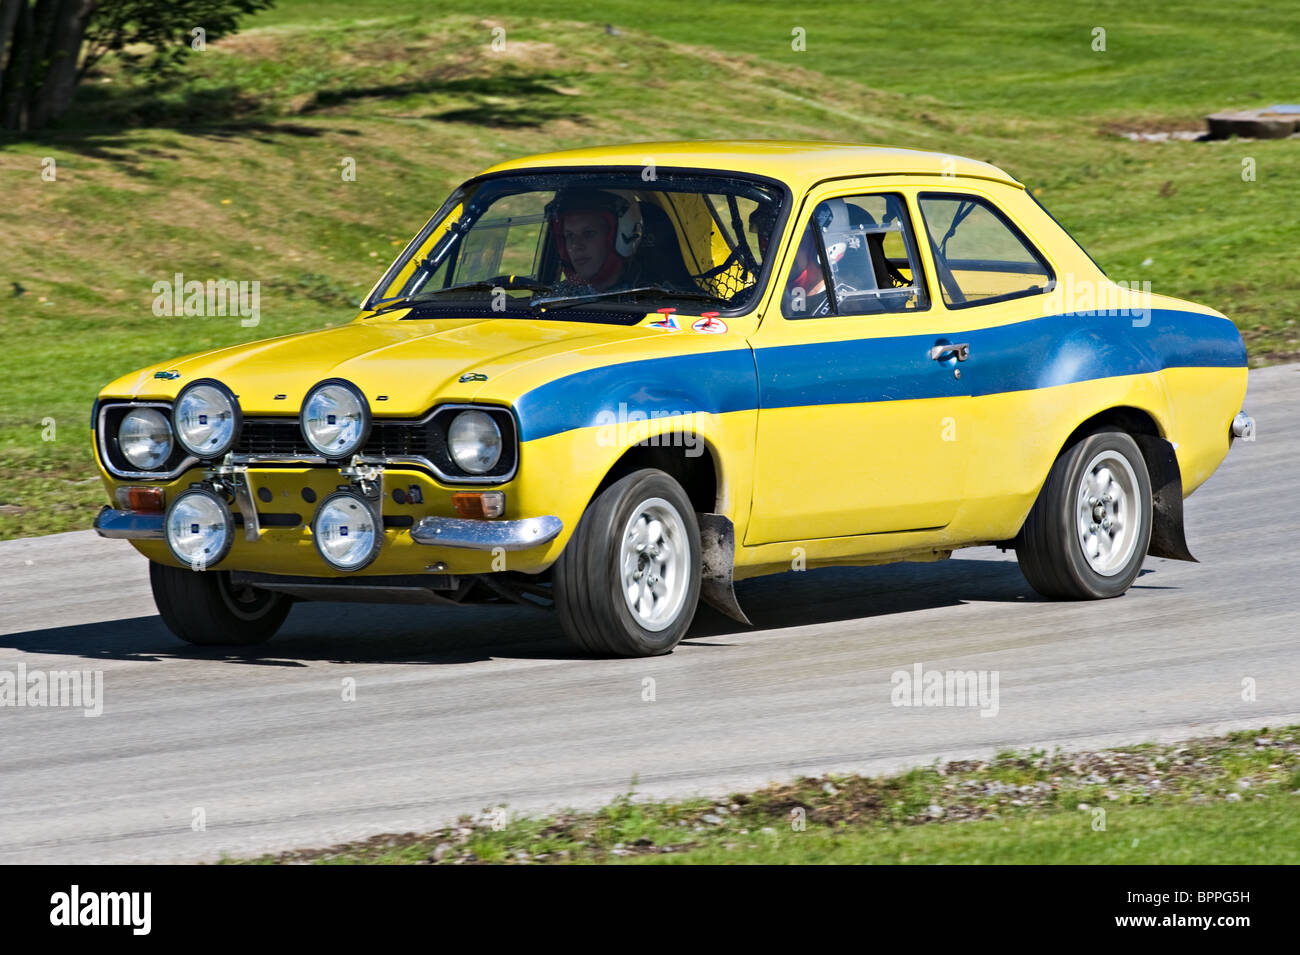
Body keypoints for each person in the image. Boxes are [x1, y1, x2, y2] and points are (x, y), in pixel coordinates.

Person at [545, 189, 644, 293]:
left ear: (622, 234)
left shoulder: (649, 299)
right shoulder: (557, 297)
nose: (575, 246)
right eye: (570, 235)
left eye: (588, 234)